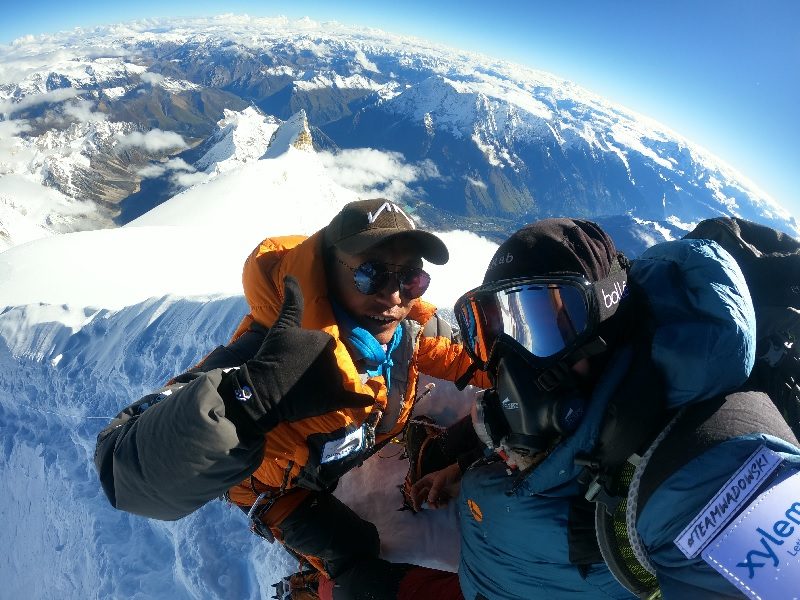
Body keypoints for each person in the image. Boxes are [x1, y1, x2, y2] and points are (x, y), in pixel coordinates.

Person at [95, 198, 489, 600]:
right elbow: (122, 468)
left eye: (410, 278)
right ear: (327, 274)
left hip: (329, 459)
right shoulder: (269, 355)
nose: (393, 296)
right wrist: (253, 397)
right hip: (278, 489)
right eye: (371, 276)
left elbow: (471, 362)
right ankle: (312, 589)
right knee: (356, 549)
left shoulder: (408, 333)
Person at [409, 218, 800, 599]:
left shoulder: (717, 468)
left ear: (608, 326)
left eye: (543, 322)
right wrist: (463, 466)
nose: (510, 358)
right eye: (494, 328)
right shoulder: (573, 415)